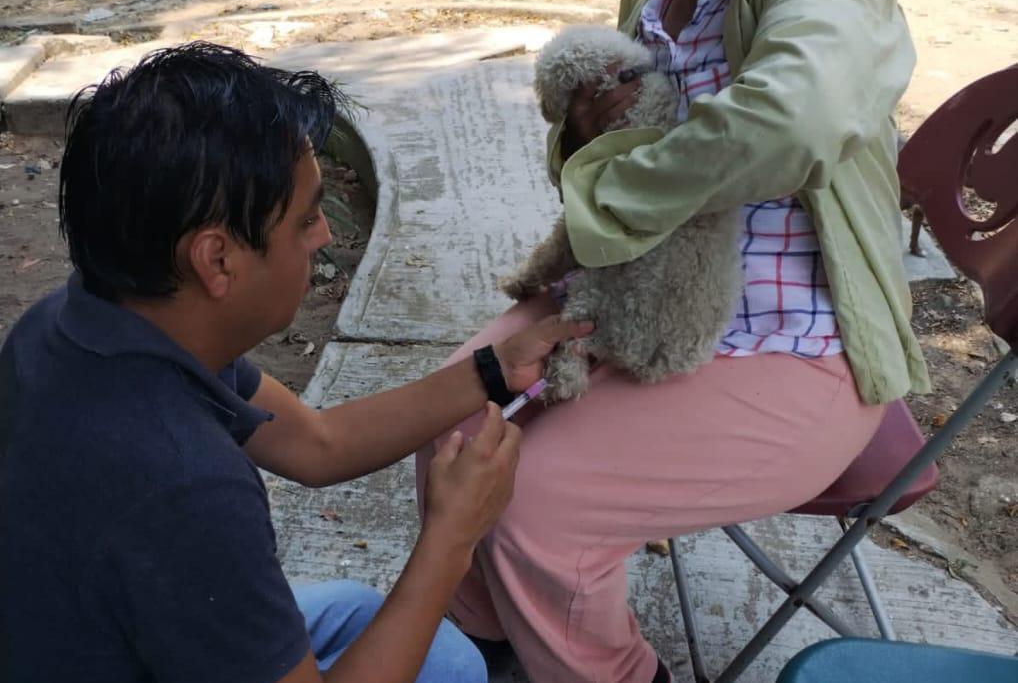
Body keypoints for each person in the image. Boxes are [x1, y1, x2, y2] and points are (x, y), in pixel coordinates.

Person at [415, 0, 931, 683]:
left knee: (535, 503)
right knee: (448, 433)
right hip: (638, 304)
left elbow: (795, 120)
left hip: (798, 347)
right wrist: (581, 135)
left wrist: (607, 184)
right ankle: (492, 658)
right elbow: (604, 170)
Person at [0, 43, 590, 683]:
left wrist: (493, 370)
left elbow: (318, 443)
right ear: (216, 260)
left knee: (388, 626)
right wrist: (453, 539)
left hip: (81, 634)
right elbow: (192, 512)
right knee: (449, 670)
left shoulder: (79, 324)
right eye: (306, 219)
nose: (325, 236)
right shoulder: (183, 485)